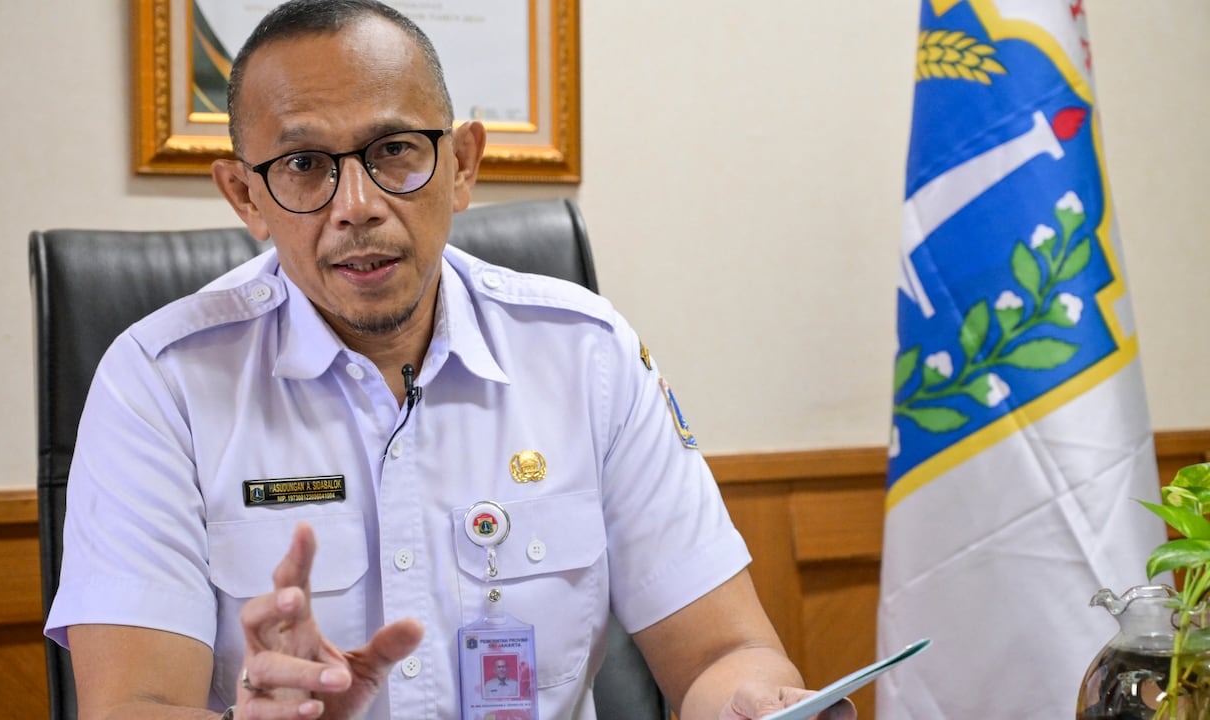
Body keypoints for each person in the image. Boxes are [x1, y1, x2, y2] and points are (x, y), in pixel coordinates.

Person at [43, 1, 855, 719]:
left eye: (394, 149)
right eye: (303, 166)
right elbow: (133, 705)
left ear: (462, 164)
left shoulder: (587, 354)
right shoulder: (160, 384)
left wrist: (749, 701)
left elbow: (721, 653)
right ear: (246, 197)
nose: (355, 208)